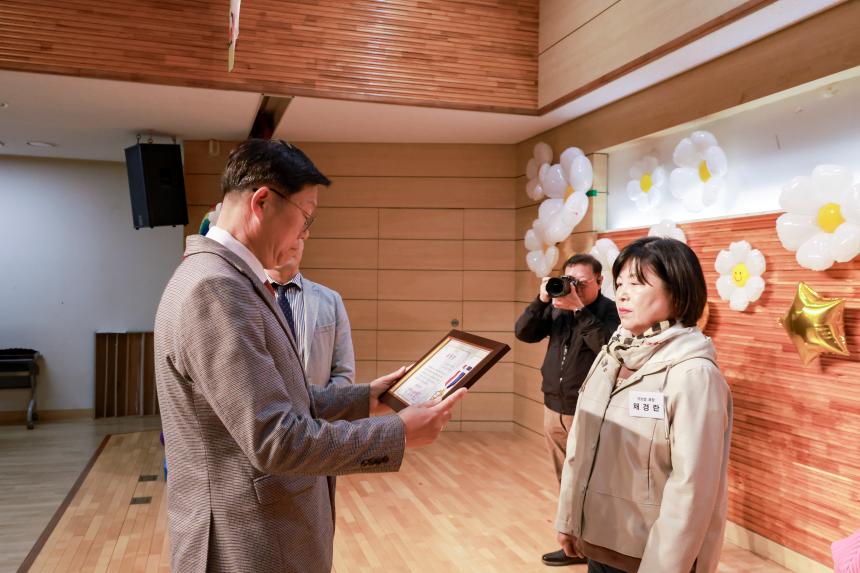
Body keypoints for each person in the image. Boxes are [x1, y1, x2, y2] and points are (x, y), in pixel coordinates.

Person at [154, 139, 465, 573]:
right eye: (306, 217)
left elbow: (276, 400)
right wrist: (396, 433)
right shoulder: (216, 288)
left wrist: (365, 399)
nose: (305, 234)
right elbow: (274, 438)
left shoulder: (223, 277)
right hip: (250, 543)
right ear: (262, 202)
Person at [555, 237, 733, 573]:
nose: (622, 294)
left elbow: (692, 489)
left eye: (636, 284)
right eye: (620, 283)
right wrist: (569, 518)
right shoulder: (612, 354)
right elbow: (580, 443)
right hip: (599, 544)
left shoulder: (693, 374)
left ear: (677, 293)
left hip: (648, 556)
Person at [515, 253, 620, 567]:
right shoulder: (556, 307)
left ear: (600, 281)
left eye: (582, 283)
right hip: (553, 407)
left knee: (587, 483)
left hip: (587, 410)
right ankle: (575, 544)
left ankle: (596, 549)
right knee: (566, 482)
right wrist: (541, 299)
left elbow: (607, 349)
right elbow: (523, 332)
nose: (574, 287)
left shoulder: (610, 312)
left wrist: (579, 310)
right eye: (570, 280)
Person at [266, 233, 354, 387]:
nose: (287, 244)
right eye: (280, 237)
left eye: (294, 236)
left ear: (302, 242)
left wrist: (322, 402)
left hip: (320, 402)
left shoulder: (332, 300)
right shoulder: (246, 297)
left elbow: (344, 373)